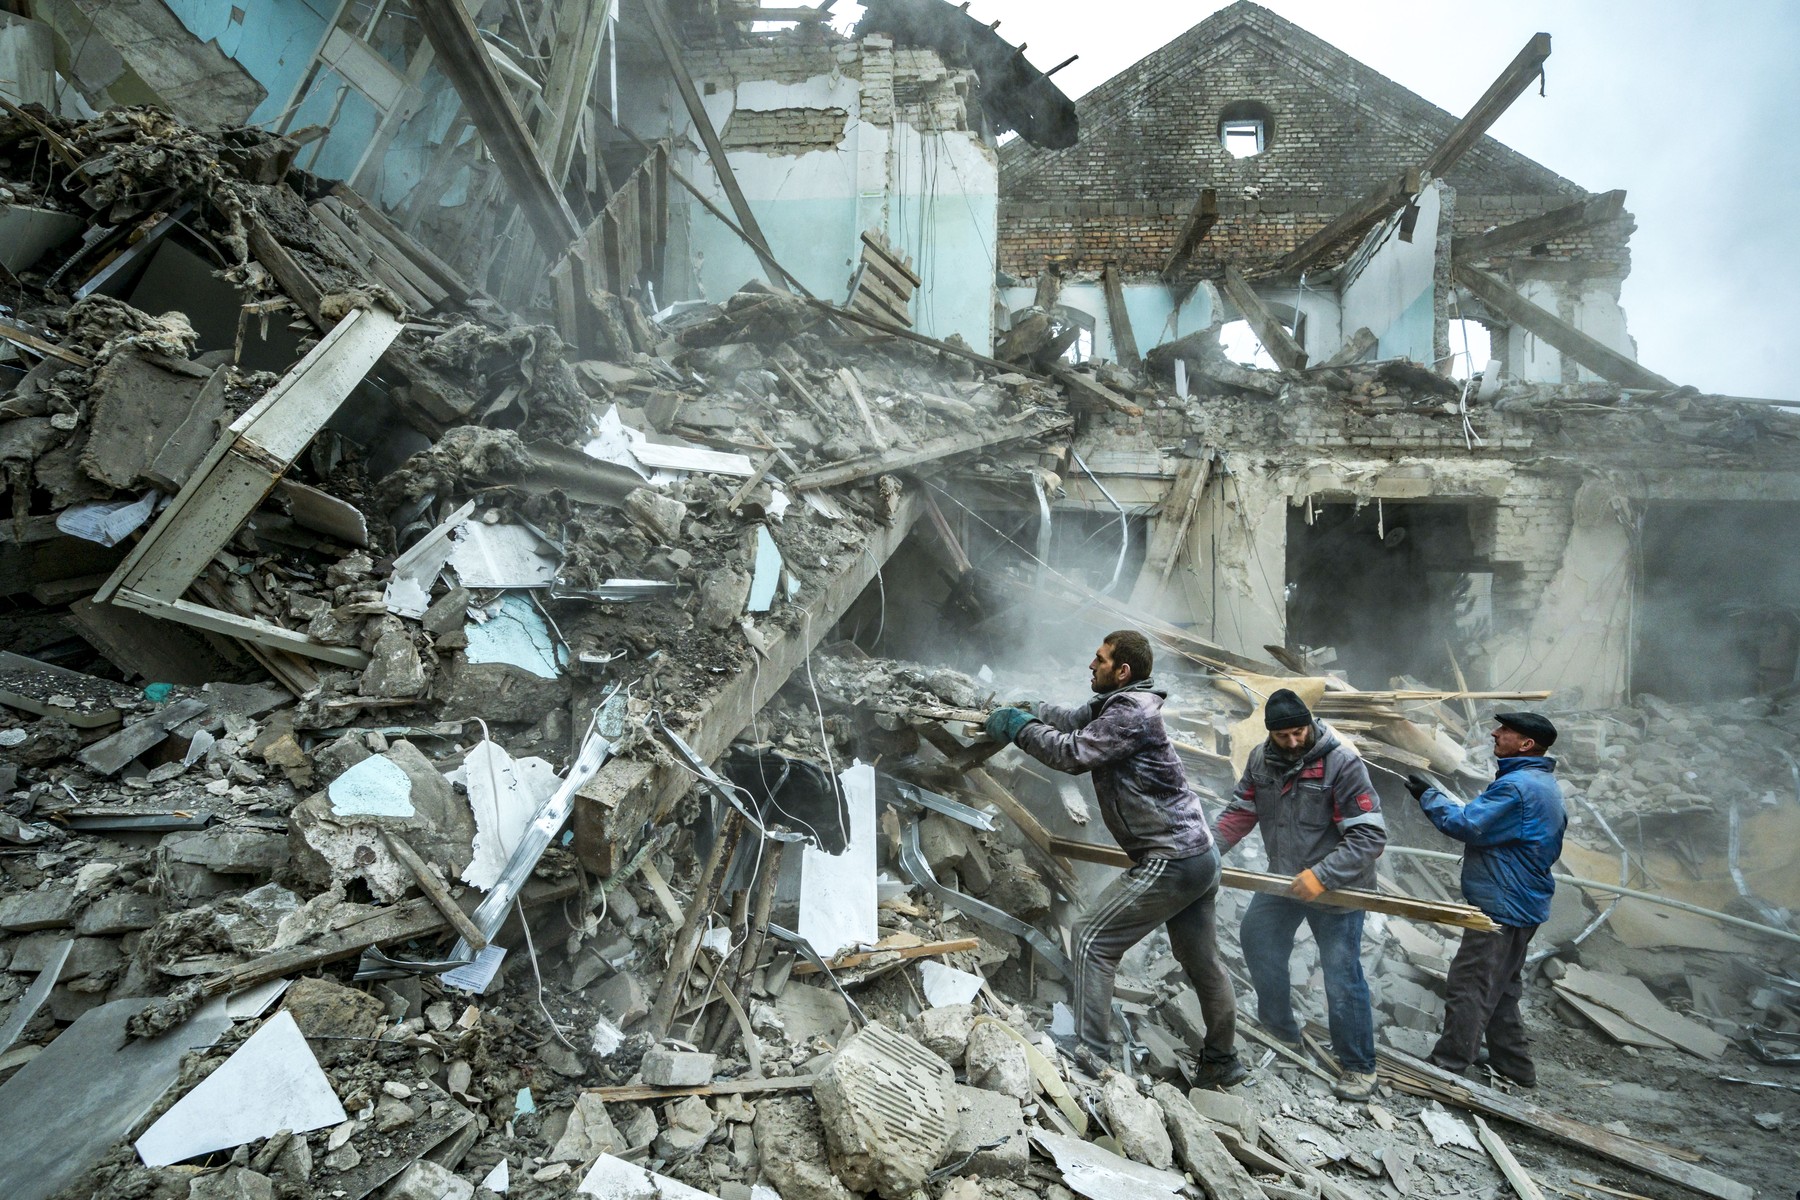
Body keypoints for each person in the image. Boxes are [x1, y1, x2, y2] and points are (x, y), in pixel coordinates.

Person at [984, 630, 1244, 1087]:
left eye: (1100, 659)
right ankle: (1223, 1061)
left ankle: (1090, 1050)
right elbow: (1071, 719)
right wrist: (1034, 708)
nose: (1091, 664)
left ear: (1122, 671)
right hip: (1199, 855)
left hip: (1172, 856)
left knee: (1091, 938)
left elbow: (1072, 753)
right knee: (1200, 960)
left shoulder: (1130, 714)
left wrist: (1018, 728)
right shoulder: (1120, 702)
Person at [1215, 687, 1386, 1101]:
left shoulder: (1341, 762)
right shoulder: (1260, 759)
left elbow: (1369, 836)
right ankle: (1280, 1029)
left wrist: (1322, 876)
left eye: (1298, 733)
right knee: (1257, 937)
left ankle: (1359, 1065)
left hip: (1338, 887)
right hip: (1284, 878)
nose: (1293, 742)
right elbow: (1241, 812)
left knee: (1341, 971)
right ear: (1270, 734)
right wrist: (1204, 851)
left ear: (1309, 725)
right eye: (1283, 736)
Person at [1405, 712, 1565, 1088]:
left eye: (1506, 730)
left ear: (1526, 744)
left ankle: (1446, 1067)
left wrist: (1427, 796)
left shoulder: (1517, 787)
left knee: (1470, 984)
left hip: (1503, 904)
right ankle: (1516, 1068)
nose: (1496, 733)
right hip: (1524, 901)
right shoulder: (1540, 781)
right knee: (1502, 988)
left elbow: (1467, 825)